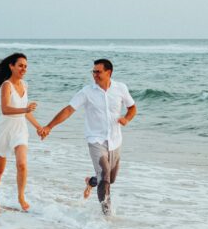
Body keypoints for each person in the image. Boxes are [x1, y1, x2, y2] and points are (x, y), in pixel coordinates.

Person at [39, 59, 136, 215]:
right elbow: (69, 110)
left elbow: (132, 108)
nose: (95, 74)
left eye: (98, 71)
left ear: (108, 72)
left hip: (115, 140)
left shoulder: (120, 88)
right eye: (93, 71)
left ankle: (91, 181)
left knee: (110, 179)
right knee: (104, 178)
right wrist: (49, 126)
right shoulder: (87, 92)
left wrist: (126, 118)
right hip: (95, 140)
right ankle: (107, 216)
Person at [0, 52, 43, 211]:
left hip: (20, 129)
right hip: (4, 129)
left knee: (22, 164)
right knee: (0, 169)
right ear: (12, 66)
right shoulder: (6, 85)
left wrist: (38, 127)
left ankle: (21, 196)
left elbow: (26, 112)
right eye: (20, 65)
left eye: (26, 66)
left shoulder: (25, 85)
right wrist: (25, 108)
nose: (24, 69)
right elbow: (5, 109)